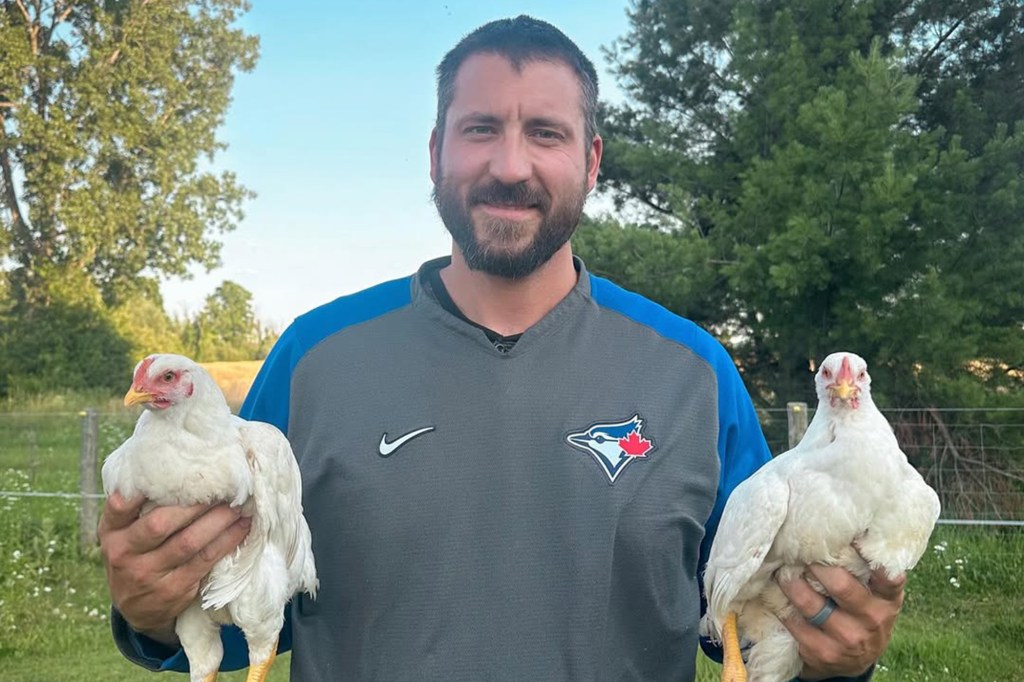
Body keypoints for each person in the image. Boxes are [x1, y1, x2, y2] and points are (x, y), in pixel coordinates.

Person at [99, 16, 903, 681]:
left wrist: (840, 652)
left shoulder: (695, 374)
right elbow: (241, 615)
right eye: (480, 129)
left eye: (545, 133)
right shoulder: (313, 360)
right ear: (435, 152)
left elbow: (743, 620)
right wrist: (151, 615)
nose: (510, 165)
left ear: (590, 163)